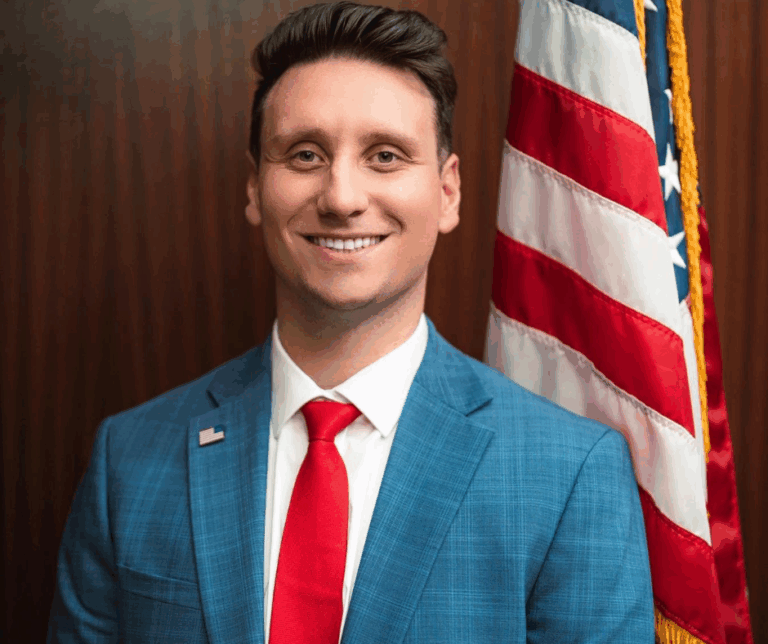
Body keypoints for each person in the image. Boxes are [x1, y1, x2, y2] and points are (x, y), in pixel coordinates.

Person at [47, 2, 655, 642]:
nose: (341, 198)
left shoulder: (569, 475)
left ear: (447, 191)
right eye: (305, 155)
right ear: (255, 188)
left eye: (385, 156)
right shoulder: (129, 461)